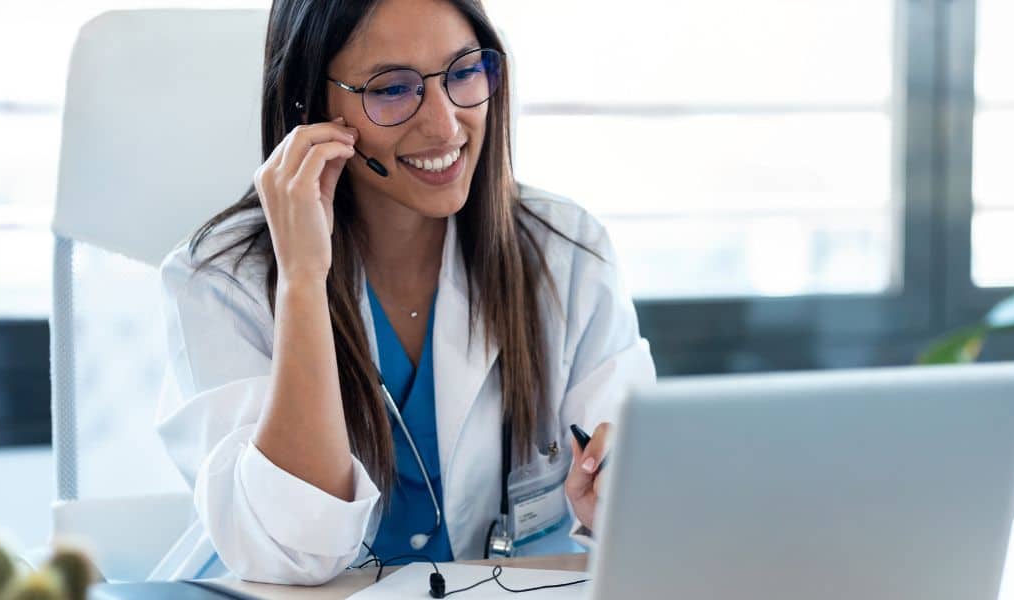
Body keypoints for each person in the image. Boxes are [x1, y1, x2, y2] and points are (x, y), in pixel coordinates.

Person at [154, 0, 655, 585]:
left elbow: (645, 499)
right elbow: (295, 553)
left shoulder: (567, 251)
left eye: (465, 73)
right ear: (312, 106)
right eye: (393, 88)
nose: (445, 125)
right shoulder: (219, 280)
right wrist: (302, 279)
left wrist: (623, 500)